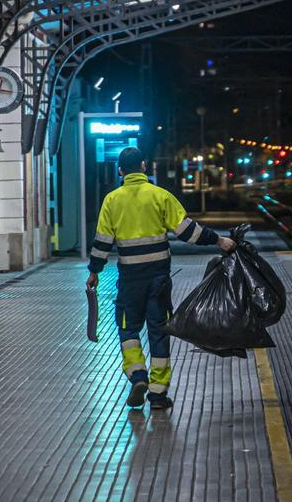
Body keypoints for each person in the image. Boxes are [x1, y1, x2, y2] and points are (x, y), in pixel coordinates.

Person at [85, 146, 237, 410]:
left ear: (120, 171)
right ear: (143, 167)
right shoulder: (160, 196)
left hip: (130, 280)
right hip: (158, 279)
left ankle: (137, 377)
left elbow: (103, 242)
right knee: (159, 331)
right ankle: (157, 394)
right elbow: (187, 231)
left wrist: (94, 272)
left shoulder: (112, 200)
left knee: (128, 330)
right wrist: (219, 240)